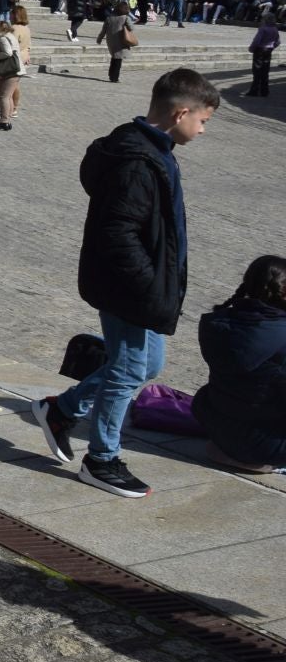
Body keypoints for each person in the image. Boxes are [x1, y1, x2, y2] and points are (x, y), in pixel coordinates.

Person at [33, 69, 219, 498]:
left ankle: (60, 411)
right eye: (203, 121)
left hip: (142, 285)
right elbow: (119, 235)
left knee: (145, 366)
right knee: (130, 368)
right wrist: (150, 288)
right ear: (181, 113)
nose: (204, 130)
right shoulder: (137, 161)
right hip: (131, 287)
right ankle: (101, 459)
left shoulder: (152, 151)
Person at [192, 255, 286, 473]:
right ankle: (250, 456)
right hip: (262, 444)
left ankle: (229, 450)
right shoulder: (281, 337)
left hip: (216, 424)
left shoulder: (221, 322)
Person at [0, 19, 24, 131]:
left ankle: (4, 122)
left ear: (0, 28)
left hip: (9, 70)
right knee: (8, 96)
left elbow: (7, 53)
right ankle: (7, 120)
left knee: (4, 96)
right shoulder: (10, 36)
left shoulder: (3, 38)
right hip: (16, 70)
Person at [102, 0, 134, 84]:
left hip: (111, 41)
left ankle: (111, 75)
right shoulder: (125, 18)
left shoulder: (109, 17)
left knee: (114, 58)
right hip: (121, 40)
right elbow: (131, 28)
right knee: (118, 60)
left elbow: (103, 30)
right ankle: (114, 77)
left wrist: (99, 38)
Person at [248, 12, 278, 98]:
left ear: (265, 19)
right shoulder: (275, 29)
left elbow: (257, 40)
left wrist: (252, 48)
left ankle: (254, 90)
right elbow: (278, 41)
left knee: (257, 71)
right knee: (265, 71)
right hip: (268, 51)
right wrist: (272, 47)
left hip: (260, 50)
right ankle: (264, 91)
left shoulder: (263, 28)